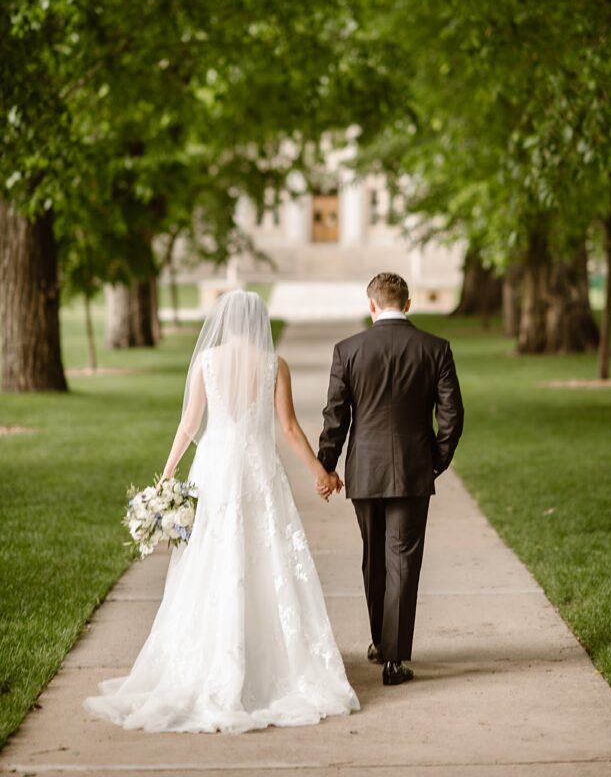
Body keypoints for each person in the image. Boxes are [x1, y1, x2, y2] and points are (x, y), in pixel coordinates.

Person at [83, 290, 359, 733]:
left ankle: (214, 659)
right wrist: (320, 472)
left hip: (214, 466)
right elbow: (287, 427)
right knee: (267, 561)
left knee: (210, 562)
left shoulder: (207, 362)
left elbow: (190, 422)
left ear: (225, 323)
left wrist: (167, 475)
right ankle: (274, 665)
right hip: (258, 469)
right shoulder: (274, 365)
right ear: (258, 323)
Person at [317, 272, 464, 686]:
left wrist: (327, 464)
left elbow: (336, 416)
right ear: (408, 304)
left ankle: (382, 643)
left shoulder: (348, 350)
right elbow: (452, 416)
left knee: (375, 556)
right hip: (413, 470)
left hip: (365, 469)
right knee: (403, 558)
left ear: (372, 306)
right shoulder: (435, 348)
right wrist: (434, 461)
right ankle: (393, 659)